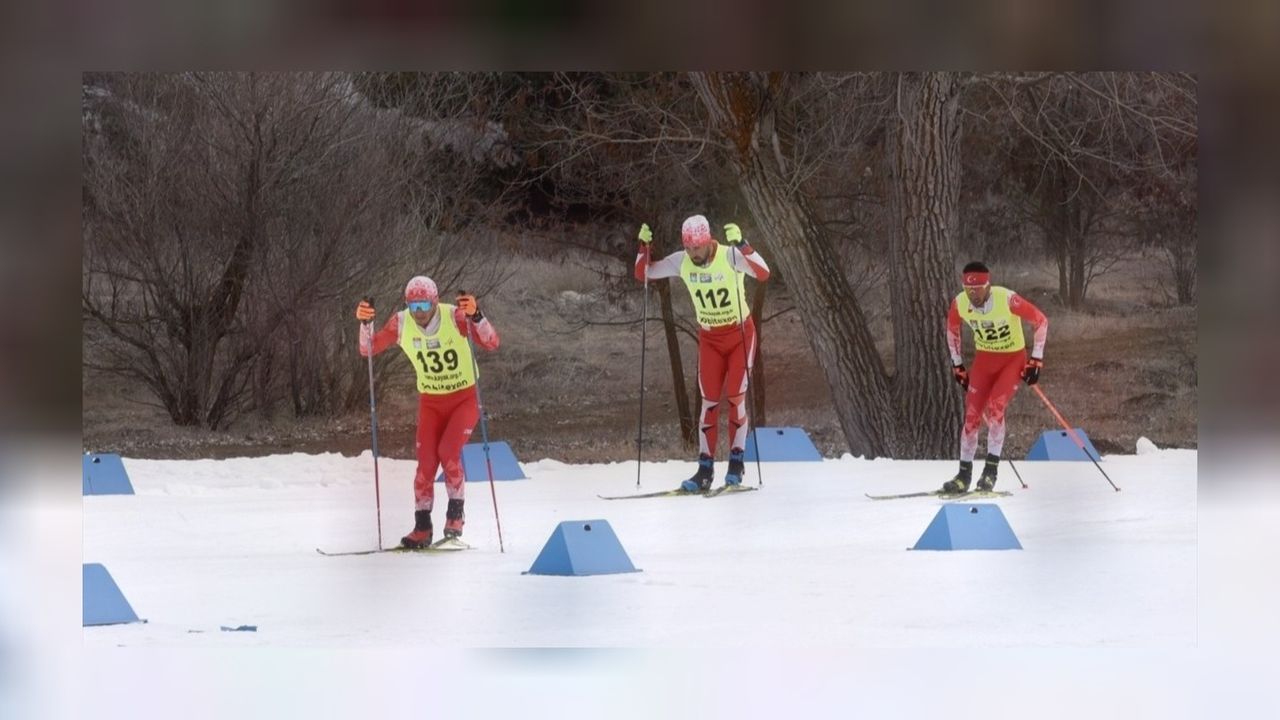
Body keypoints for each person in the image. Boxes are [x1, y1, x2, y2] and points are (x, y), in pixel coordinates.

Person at [355, 276, 500, 548]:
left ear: (434, 302)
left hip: (464, 399)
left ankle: (455, 515)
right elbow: (368, 349)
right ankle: (422, 527)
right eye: (413, 306)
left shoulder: (454, 317)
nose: (419, 312)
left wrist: (476, 316)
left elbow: (491, 343)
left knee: (448, 452)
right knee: (425, 465)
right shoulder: (401, 322)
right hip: (431, 402)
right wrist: (366, 323)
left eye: (423, 305)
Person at [634, 215, 771, 491]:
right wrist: (643, 248)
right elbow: (644, 274)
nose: (693, 253)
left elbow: (763, 273)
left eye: (697, 246)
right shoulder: (682, 261)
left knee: (735, 395)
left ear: (709, 240)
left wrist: (744, 245)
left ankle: (736, 462)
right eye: (688, 247)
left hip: (739, 335)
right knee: (709, 401)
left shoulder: (730, 255)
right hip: (710, 338)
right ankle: (704, 469)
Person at [943, 261, 1048, 493]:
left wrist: (1036, 360)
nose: (973, 294)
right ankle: (963, 475)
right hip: (985, 361)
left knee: (995, 408)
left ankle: (990, 473)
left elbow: (1041, 321)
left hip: (1012, 360)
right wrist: (957, 364)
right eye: (968, 289)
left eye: (978, 289)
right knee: (971, 415)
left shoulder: (1006, 299)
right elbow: (952, 330)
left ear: (988, 286)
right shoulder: (959, 303)